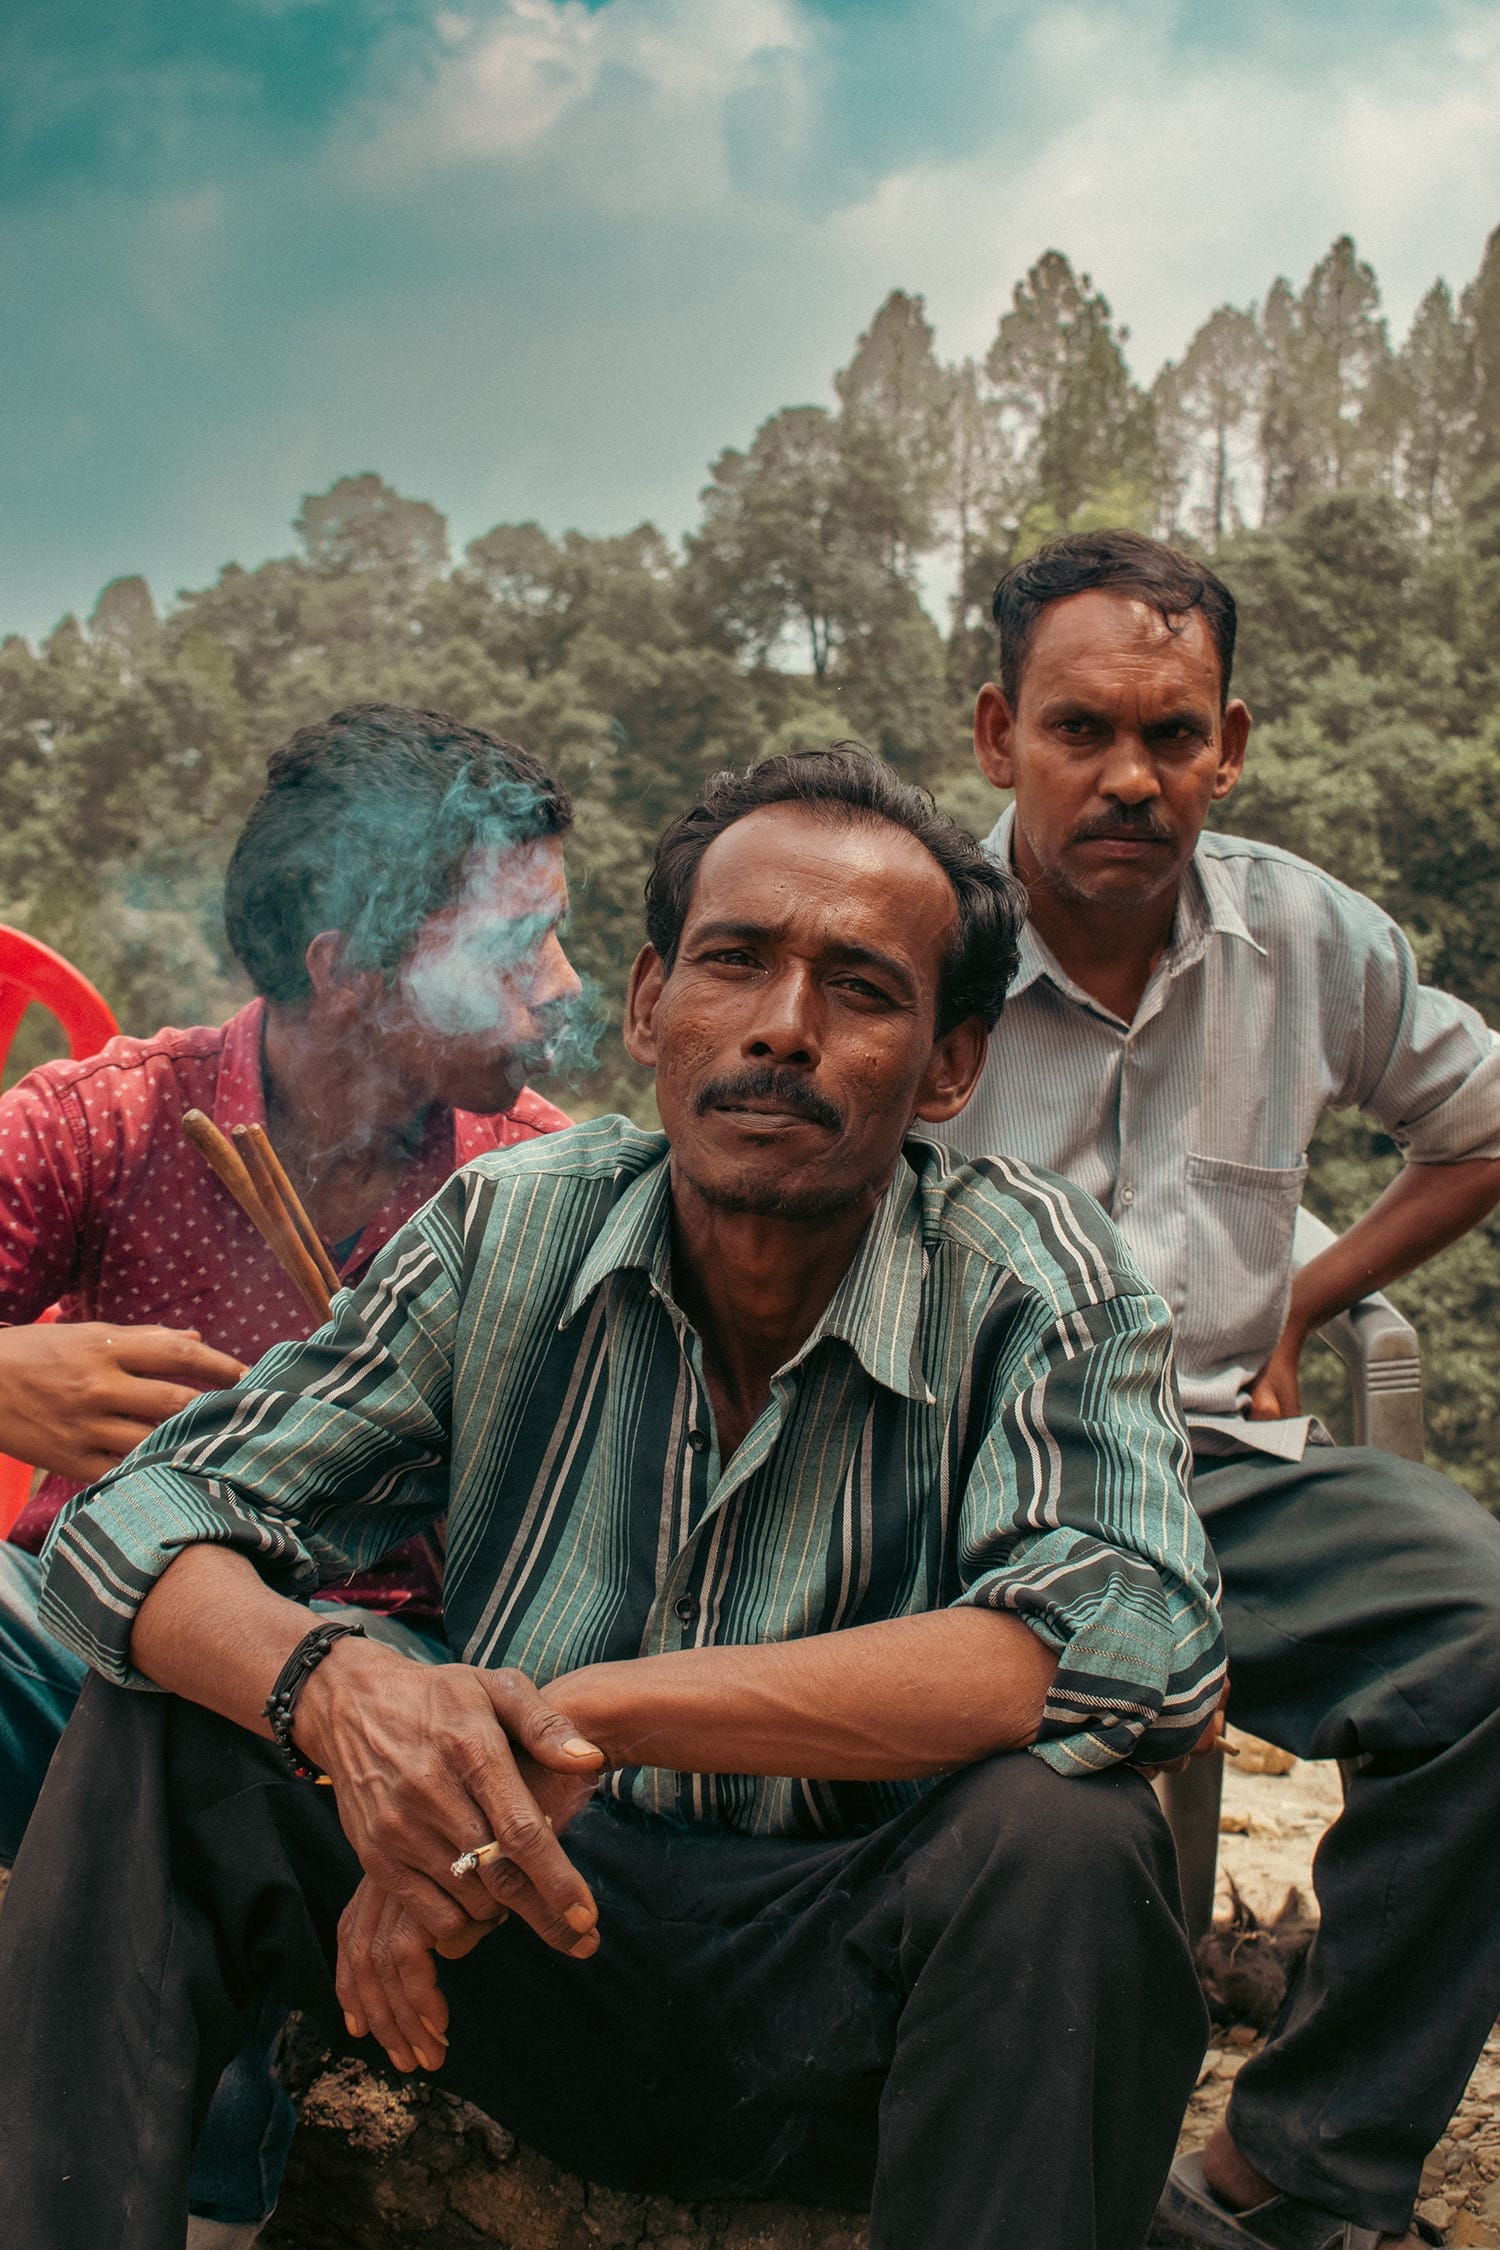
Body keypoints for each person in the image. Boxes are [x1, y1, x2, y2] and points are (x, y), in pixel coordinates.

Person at [0, 747, 1225, 2250]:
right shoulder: (517, 1220)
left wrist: (584, 1712)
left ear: (952, 1065)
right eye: (734, 963)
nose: (781, 1028)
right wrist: (353, 1702)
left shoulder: (1038, 1275)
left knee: (1072, 1844)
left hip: (852, 1978)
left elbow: (1123, 1640)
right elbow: (145, 1516)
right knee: (160, 1729)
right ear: (651, 1003)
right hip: (521, 1938)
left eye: (860, 988)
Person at [931, 530, 1500, 2250]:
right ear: (994, 732)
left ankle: (1300, 2163)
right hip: (946, 1473)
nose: (1129, 777)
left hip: (1213, 1468)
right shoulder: (909, 930)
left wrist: (1310, 1295)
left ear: (1231, 744)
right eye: (1080, 728)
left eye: (1172, 736)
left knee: (1490, 1633)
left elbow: (1479, 1125)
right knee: (1038, 1808)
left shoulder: (1301, 933)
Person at [0, 698, 580, 2248]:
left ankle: (207, 2171)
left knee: (215, 1730)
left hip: (376, 1694)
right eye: (518, 949)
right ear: (346, 964)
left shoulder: (534, 1182)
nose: (563, 989)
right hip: (73, 1636)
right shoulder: (116, 1117)